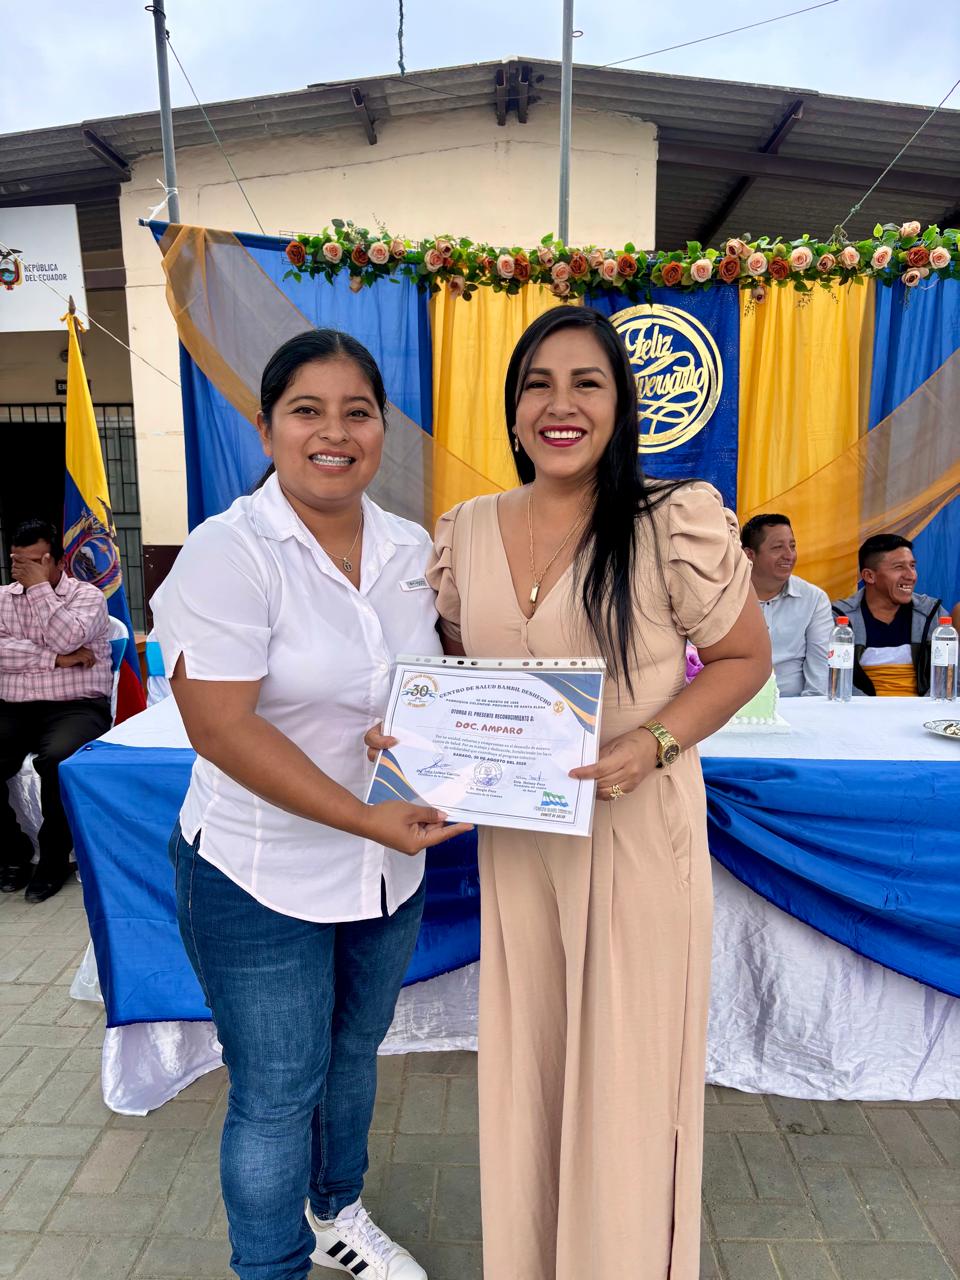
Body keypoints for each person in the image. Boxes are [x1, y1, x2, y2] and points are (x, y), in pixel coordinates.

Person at [371, 307, 771, 1279]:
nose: (561, 404)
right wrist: (418, 740)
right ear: (513, 412)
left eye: (587, 382)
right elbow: (464, 678)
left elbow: (743, 658)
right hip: (524, 844)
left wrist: (653, 742)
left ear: (621, 405)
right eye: (538, 385)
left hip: (636, 836)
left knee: (627, 1080)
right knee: (535, 1068)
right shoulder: (468, 530)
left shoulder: (671, 518)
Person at [151, 330, 470, 1280]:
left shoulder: (412, 549)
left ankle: (336, 1213)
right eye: (307, 411)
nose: (334, 433)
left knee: (355, 1052)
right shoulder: (227, 552)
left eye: (357, 413)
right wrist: (365, 814)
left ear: (382, 430)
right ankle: (271, 1265)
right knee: (277, 1092)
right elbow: (221, 729)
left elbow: (443, 684)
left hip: (385, 869)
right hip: (261, 872)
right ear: (265, 429)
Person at [0, 518, 111, 902]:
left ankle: (52, 860)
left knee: (60, 759)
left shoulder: (87, 597)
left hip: (74, 707)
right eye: (17, 560)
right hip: (14, 706)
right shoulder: (2, 598)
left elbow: (69, 636)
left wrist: (39, 590)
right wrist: (55, 660)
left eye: (34, 561)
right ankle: (13, 853)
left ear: (59, 562)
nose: (21, 569)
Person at [832, 534, 942, 696]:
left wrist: (923, 708)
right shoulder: (838, 619)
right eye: (898, 567)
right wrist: (871, 709)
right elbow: (833, 680)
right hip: (860, 710)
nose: (911, 576)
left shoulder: (932, 614)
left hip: (923, 710)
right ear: (869, 576)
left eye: (912, 566)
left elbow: (949, 679)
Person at [740, 513, 833, 696]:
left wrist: (811, 709)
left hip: (796, 704)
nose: (789, 555)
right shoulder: (724, 596)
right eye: (777, 548)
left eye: (792, 546)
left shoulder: (814, 599)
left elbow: (821, 670)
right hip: (734, 705)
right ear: (749, 554)